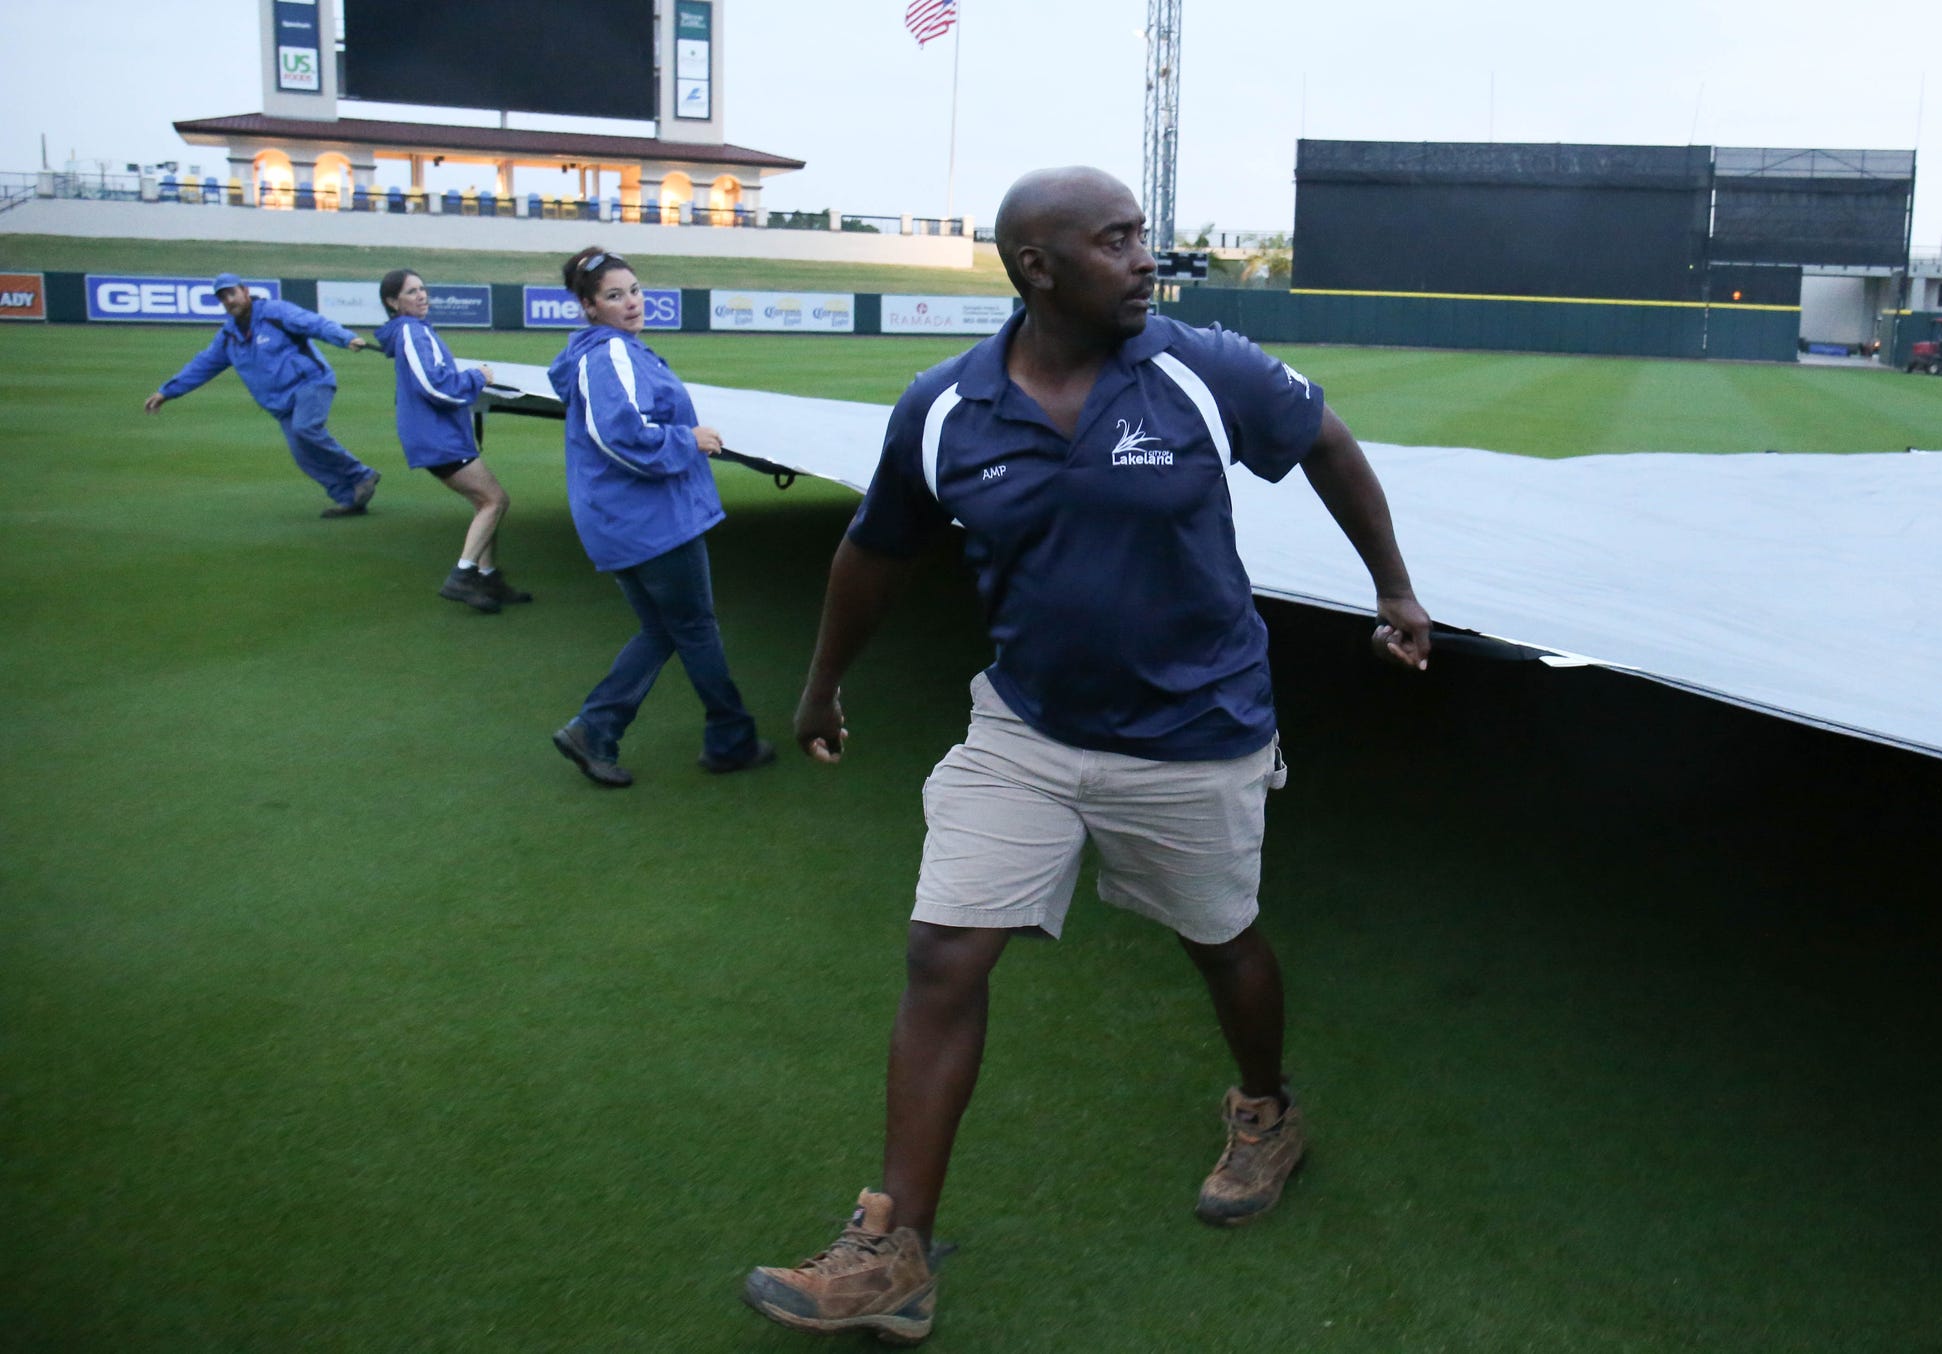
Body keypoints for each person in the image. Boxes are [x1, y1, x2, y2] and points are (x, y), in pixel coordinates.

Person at [742, 167, 1433, 1344]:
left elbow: (1324, 440)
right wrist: (820, 684)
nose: (1144, 260)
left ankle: (1266, 1110)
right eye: (1115, 242)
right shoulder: (947, 408)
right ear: (1037, 267)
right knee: (942, 954)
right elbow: (877, 550)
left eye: (1142, 237)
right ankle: (893, 1248)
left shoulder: (1199, 367)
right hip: (1026, 727)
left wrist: (1395, 586)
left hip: (1196, 729)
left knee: (1220, 939)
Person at [545, 247, 773, 788]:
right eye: (614, 295)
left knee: (665, 629)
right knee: (694, 628)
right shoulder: (611, 355)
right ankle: (730, 739)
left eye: (635, 290)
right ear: (589, 306)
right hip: (649, 521)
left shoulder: (604, 352)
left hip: (624, 521)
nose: (631, 303)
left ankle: (595, 729)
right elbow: (620, 434)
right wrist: (687, 440)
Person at [142, 272, 382, 517]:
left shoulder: (275, 312)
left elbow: (314, 323)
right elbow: (202, 365)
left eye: (232, 293)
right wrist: (166, 392)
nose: (229, 301)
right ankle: (350, 498)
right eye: (223, 298)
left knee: (305, 428)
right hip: (279, 402)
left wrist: (345, 338)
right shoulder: (228, 337)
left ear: (245, 291)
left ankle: (360, 475)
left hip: (311, 382)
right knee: (303, 456)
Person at [372, 268, 533, 614]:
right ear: (392, 301)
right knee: (495, 501)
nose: (421, 296)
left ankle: (487, 578)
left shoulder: (411, 332)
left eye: (422, 289)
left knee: (485, 503)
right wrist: (478, 377)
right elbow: (434, 386)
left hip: (438, 437)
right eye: (412, 291)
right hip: (437, 440)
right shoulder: (412, 333)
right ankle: (462, 576)